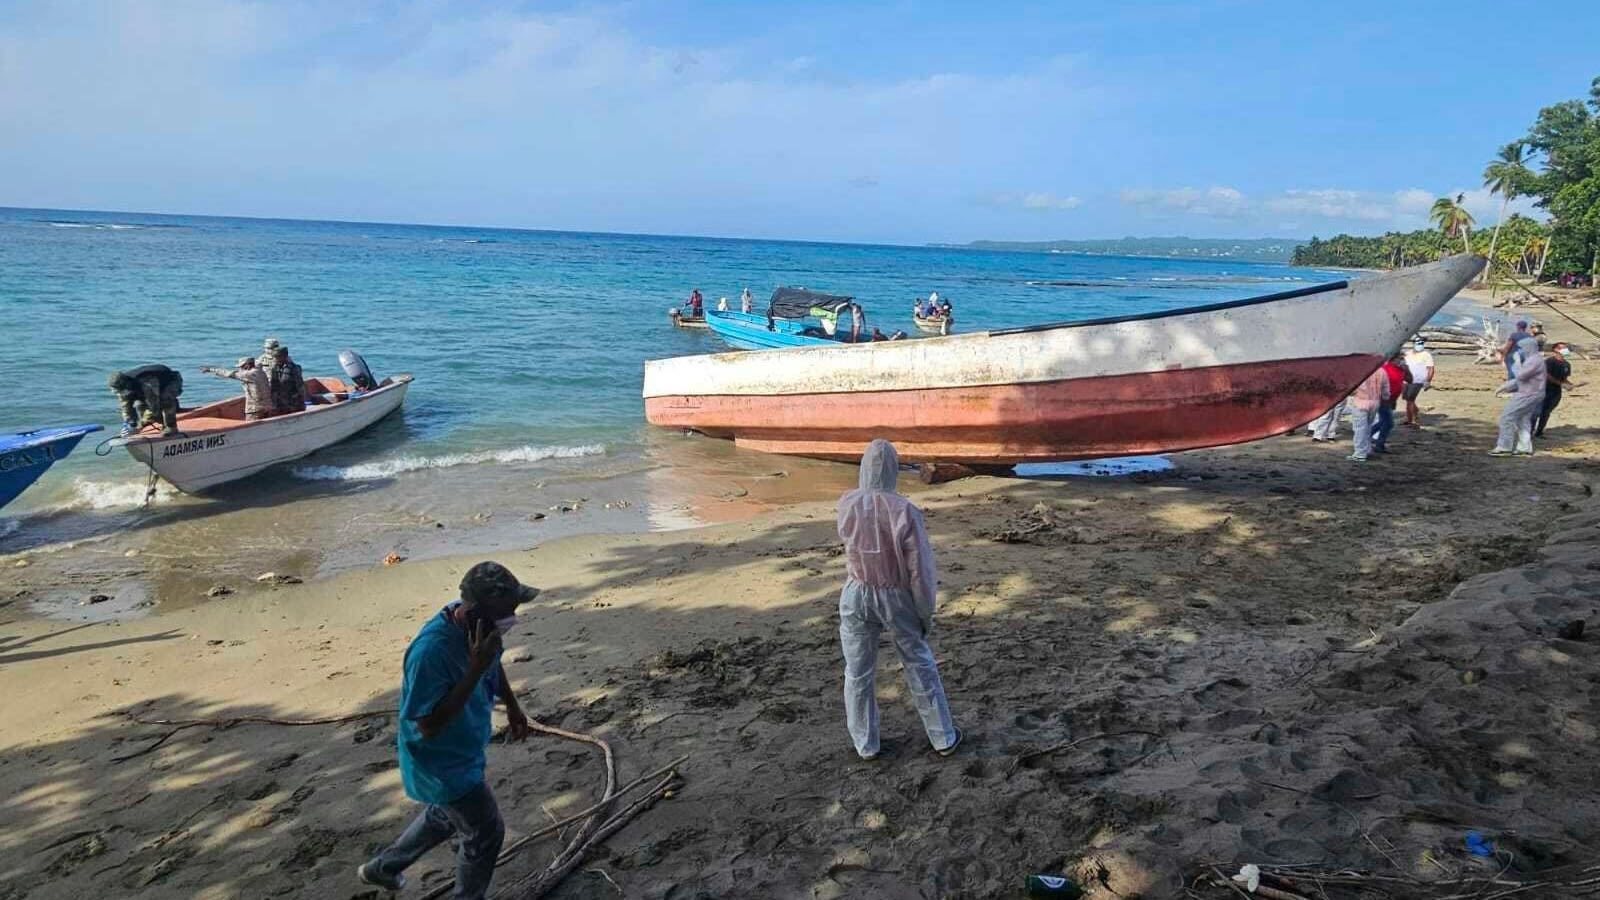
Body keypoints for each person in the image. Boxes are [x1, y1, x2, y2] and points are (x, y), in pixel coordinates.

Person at [359, 561, 539, 898]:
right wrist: (475, 669)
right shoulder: (430, 653)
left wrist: (513, 706)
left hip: (465, 746)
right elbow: (428, 726)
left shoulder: (484, 634)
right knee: (485, 832)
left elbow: (494, 664)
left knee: (445, 817)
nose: (510, 620)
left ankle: (382, 868)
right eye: (505, 614)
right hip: (438, 762)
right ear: (473, 613)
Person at [836, 439, 959, 760]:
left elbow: (851, 546)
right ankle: (943, 737)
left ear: (863, 468)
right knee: (918, 662)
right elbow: (920, 570)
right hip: (895, 595)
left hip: (856, 591)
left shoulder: (847, 503)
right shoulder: (904, 510)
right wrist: (924, 612)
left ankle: (865, 744)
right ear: (893, 469)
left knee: (858, 670)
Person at [1491, 336, 1547, 456]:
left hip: (1528, 394)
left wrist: (1515, 362)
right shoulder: (1532, 360)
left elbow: (1520, 375)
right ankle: (1524, 448)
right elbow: (1520, 380)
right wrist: (1504, 387)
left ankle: (1504, 447)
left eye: (1521, 348)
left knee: (1507, 417)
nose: (1519, 350)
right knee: (1523, 419)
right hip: (1531, 393)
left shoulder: (1534, 361)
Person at [108, 364, 183, 436]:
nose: (119, 394)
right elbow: (126, 407)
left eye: (120, 391)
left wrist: (140, 425)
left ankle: (171, 427)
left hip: (172, 381)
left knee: (165, 399)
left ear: (126, 386)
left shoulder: (146, 382)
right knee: (139, 404)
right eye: (116, 392)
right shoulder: (123, 389)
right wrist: (129, 424)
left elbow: (153, 407)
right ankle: (151, 421)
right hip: (151, 385)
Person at [200, 357, 274, 420]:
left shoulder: (249, 374)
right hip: (267, 406)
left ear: (248, 365)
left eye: (242, 367)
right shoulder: (261, 372)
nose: (241, 369)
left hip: (255, 409)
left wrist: (211, 369)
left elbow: (229, 374)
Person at [1536, 342, 1582, 438]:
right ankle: (1527, 432)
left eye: (1566, 348)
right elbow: (1546, 375)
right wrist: (1561, 384)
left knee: (1546, 412)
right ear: (1556, 349)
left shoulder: (1567, 364)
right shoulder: (1549, 362)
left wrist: (1571, 385)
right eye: (1563, 348)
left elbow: (1564, 378)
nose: (1566, 350)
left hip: (1556, 392)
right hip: (1543, 389)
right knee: (1536, 412)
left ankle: (1539, 432)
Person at [1347, 365, 1387, 462]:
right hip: (1375, 402)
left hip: (1360, 402)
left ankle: (1360, 453)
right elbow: (1385, 388)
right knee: (1368, 427)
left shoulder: (1359, 370)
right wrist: (1386, 397)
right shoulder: (1381, 371)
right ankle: (1367, 449)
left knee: (1359, 429)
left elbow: (1351, 388)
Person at [1371, 354, 1409, 454]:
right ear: (1393, 359)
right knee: (1388, 423)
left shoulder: (1401, 370)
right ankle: (1377, 442)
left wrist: (1407, 369)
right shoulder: (1385, 369)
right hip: (1383, 399)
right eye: (1400, 358)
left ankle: (1371, 439)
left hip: (1391, 399)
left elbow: (1410, 380)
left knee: (1384, 422)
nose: (1402, 360)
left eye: (1403, 358)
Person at [1402, 339, 1435, 426]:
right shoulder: (1407, 353)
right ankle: (1415, 413)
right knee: (1407, 399)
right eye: (1418, 343)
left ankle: (1411, 421)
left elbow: (1431, 368)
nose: (1420, 345)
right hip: (1406, 380)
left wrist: (1428, 381)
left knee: (1410, 400)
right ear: (1413, 344)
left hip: (1418, 381)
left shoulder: (1426, 355)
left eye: (1422, 343)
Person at [269, 345, 309, 415]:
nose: (275, 359)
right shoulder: (275, 368)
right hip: (280, 404)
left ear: (284, 356)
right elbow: (273, 387)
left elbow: (300, 387)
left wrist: (302, 402)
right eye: (275, 357)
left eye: (278, 357)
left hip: (293, 403)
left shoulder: (294, 368)